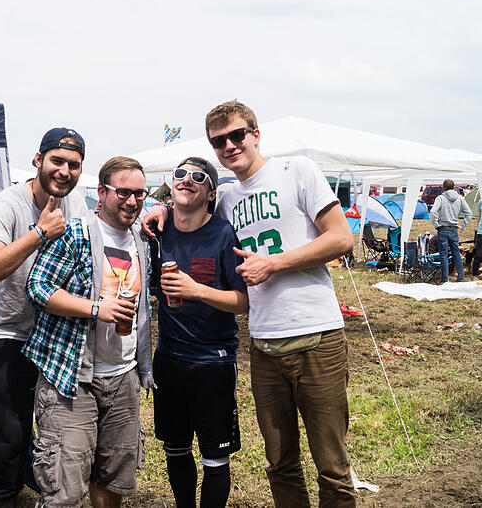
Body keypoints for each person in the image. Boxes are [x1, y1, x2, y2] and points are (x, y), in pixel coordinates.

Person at [143, 100, 356, 506]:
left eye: (237, 135)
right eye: (218, 140)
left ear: (256, 135)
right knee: (279, 463)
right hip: (263, 343)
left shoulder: (297, 172)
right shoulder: (225, 199)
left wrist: (273, 264)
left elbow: (341, 239)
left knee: (331, 464)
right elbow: (189, 208)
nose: (229, 145)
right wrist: (157, 208)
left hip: (316, 335)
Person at [24, 156, 153, 508]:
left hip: (123, 378)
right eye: (123, 192)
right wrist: (96, 308)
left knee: (114, 478)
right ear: (101, 192)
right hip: (71, 378)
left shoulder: (141, 240)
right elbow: (38, 286)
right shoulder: (75, 234)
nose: (132, 201)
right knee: (65, 488)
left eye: (140, 194)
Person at [0, 128, 88, 507]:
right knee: (11, 433)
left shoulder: (77, 205)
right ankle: (2, 498)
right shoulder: (7, 205)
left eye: (74, 165)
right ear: (38, 160)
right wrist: (40, 232)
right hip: (10, 332)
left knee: (55, 429)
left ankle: (47, 493)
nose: (64, 171)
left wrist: (159, 210)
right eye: (57, 161)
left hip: (55, 336)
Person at [150, 157, 248, 508]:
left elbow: (243, 301)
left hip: (213, 362)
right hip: (169, 360)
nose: (187, 180)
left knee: (215, 456)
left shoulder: (222, 233)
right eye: (180, 174)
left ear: (210, 193)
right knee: (175, 448)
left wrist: (197, 291)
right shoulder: (156, 233)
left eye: (198, 177)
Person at [430, 179, 472, 282]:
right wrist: (462, 226)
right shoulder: (460, 198)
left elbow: (433, 211)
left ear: (444, 187)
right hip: (454, 229)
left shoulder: (440, 198)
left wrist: (436, 224)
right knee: (456, 253)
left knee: (443, 255)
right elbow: (469, 214)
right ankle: (461, 277)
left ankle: (445, 279)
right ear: (454, 187)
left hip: (443, 228)